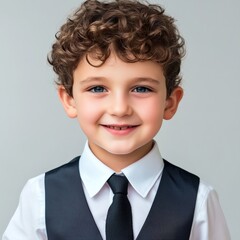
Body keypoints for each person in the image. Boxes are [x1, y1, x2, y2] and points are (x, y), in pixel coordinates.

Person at [2, 0, 230, 239]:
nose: (120, 108)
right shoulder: (39, 196)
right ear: (69, 99)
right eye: (98, 88)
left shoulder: (198, 200)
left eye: (141, 89)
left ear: (170, 102)